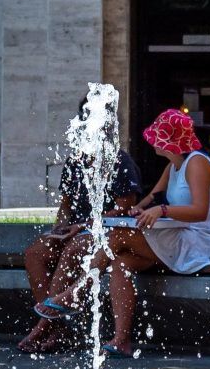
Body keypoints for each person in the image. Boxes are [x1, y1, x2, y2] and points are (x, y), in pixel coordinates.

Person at [35, 108, 210, 357]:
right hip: (179, 234)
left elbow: (200, 211)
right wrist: (139, 208)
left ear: (169, 141)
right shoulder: (174, 166)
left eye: (157, 137)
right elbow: (154, 196)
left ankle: (76, 292)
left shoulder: (197, 164)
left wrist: (162, 210)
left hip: (201, 240)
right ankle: (121, 339)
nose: (152, 143)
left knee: (116, 237)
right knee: (120, 264)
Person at [17, 142, 145, 354]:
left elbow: (125, 208)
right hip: (77, 230)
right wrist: (60, 228)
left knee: (74, 248)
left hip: (105, 231)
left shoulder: (120, 161)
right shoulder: (75, 161)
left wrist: (83, 226)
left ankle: (44, 324)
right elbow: (66, 205)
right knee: (36, 252)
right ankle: (56, 327)